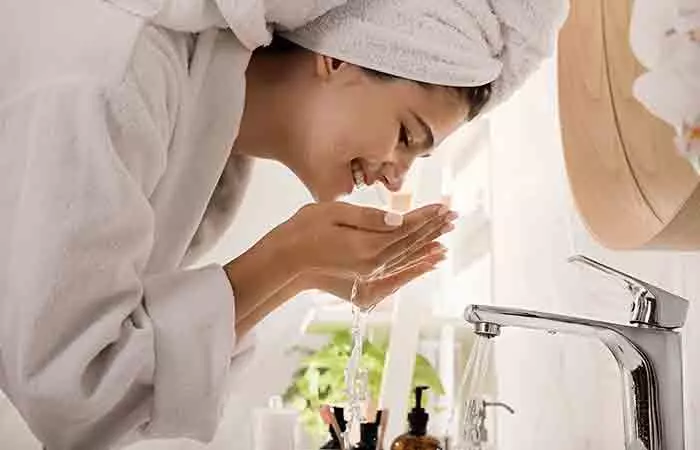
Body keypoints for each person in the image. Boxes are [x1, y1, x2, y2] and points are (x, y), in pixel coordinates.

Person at [0, 0, 568, 448]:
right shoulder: (120, 71)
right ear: (342, 57)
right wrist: (289, 257)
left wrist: (300, 273)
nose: (397, 178)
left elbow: (106, 371)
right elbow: (66, 391)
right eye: (406, 136)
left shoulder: (215, 156)